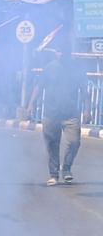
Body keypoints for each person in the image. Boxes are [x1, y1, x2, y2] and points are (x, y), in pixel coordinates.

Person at [27, 46, 86, 186]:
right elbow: (39, 87)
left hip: (71, 114)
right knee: (52, 144)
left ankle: (66, 169)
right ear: (55, 53)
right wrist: (30, 104)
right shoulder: (49, 68)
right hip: (51, 113)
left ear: (69, 52)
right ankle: (53, 174)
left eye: (64, 51)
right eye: (59, 51)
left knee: (74, 142)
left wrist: (87, 109)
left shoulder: (76, 69)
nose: (61, 53)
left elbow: (84, 90)